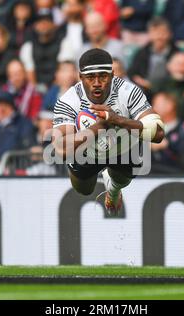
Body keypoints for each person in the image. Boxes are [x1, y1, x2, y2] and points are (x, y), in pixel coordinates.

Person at [53, 48, 165, 215]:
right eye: (90, 77)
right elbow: (60, 149)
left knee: (124, 176)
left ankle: (113, 190)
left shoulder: (128, 92)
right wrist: (98, 128)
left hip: (123, 147)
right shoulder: (68, 100)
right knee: (84, 189)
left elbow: (158, 133)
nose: (97, 83)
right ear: (80, 77)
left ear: (112, 75)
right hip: (87, 150)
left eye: (103, 76)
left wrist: (117, 120)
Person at [19, 9, 75, 92]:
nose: (43, 24)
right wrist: (36, 90)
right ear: (35, 25)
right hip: (36, 89)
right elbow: (29, 72)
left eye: (47, 21)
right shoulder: (28, 46)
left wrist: (52, 91)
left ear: (53, 24)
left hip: (60, 88)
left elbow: (64, 69)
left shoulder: (64, 42)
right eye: (40, 22)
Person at [0, 91, 36, 162]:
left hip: (13, 168)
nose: (1, 109)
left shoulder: (23, 124)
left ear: (12, 108)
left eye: (5, 105)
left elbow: (28, 147)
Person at [128, 17, 176, 95]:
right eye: (156, 32)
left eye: (163, 32)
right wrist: (143, 82)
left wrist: (154, 86)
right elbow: (132, 73)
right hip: (144, 91)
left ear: (170, 34)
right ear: (149, 34)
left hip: (167, 92)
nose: (159, 37)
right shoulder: (142, 52)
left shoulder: (176, 54)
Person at [150, 92, 184, 174]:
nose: (152, 108)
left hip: (177, 177)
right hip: (149, 178)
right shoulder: (149, 129)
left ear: (170, 106)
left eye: (156, 104)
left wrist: (168, 145)